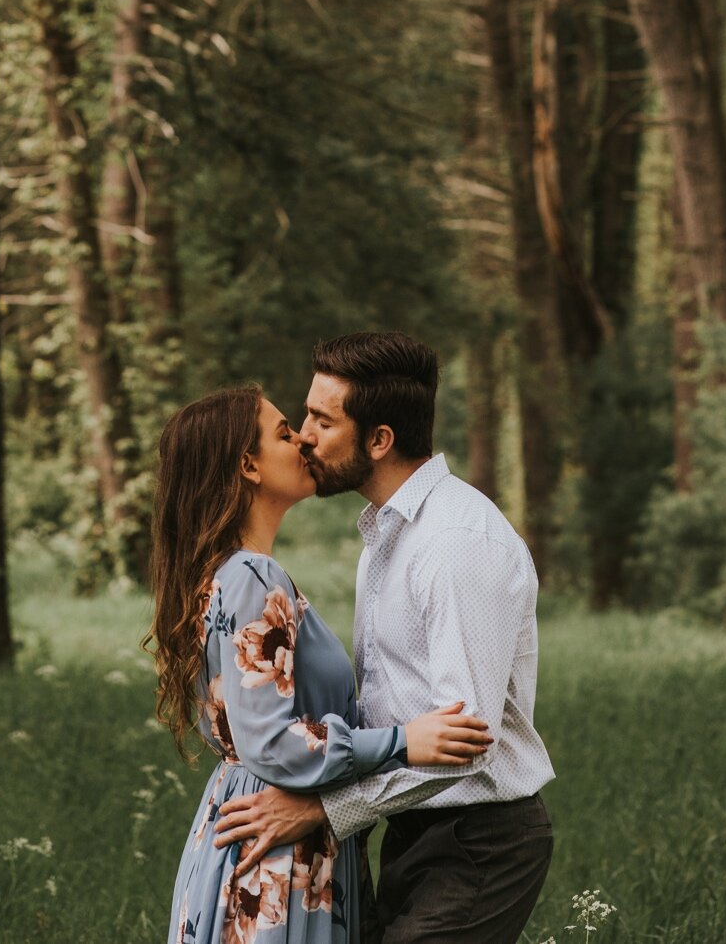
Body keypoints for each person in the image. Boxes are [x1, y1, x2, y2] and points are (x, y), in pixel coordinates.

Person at [213, 333, 554, 944]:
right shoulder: (386, 537)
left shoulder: (456, 544)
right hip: (408, 826)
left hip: (478, 839)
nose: (305, 436)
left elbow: (466, 739)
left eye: (322, 420)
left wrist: (324, 812)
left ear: (379, 439)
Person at [150, 385, 494, 944]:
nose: (305, 440)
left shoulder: (228, 574)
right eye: (285, 432)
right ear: (248, 465)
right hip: (274, 853)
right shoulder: (255, 578)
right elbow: (272, 744)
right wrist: (403, 741)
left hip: (255, 823)